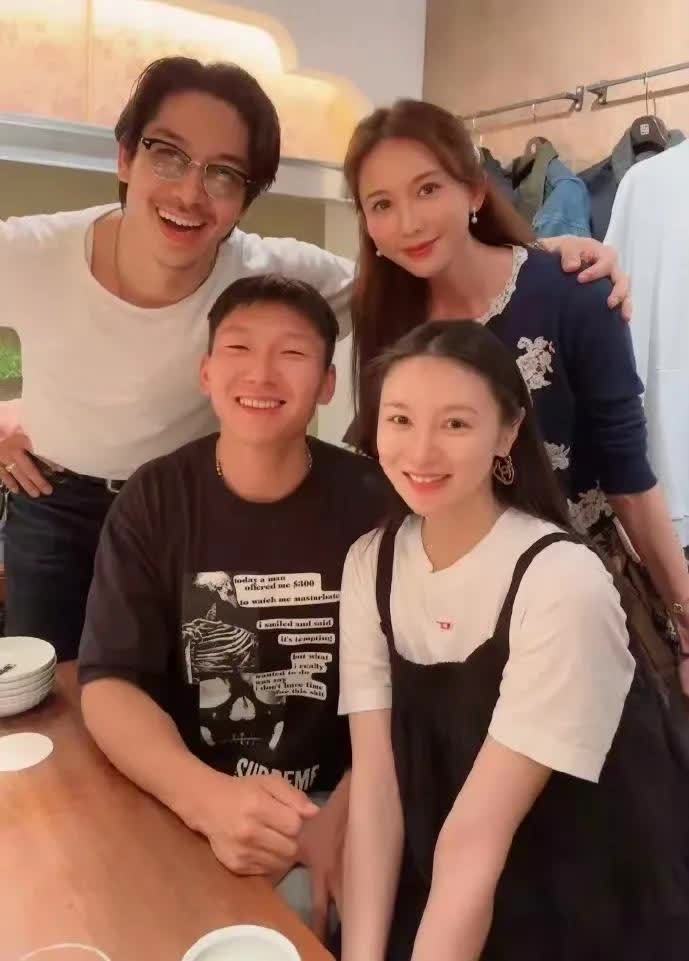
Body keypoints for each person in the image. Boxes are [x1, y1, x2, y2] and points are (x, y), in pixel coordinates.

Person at [1, 56, 628, 661]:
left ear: (247, 195)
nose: (191, 192)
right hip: (56, 505)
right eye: (168, 154)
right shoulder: (31, 252)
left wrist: (543, 257)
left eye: (224, 174)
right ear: (124, 156)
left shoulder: (271, 273)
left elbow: (409, 267)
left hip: (190, 507)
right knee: (42, 694)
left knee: (185, 679)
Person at [338, 320, 689, 961]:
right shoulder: (370, 562)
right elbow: (376, 791)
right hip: (452, 893)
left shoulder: (561, 581)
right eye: (400, 420)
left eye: (455, 423)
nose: (421, 451)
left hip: (587, 900)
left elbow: (475, 837)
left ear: (507, 432)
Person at [342, 98, 689, 695]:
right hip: (441, 602)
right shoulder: (382, 317)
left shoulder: (573, 294)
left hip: (571, 594)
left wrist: (684, 619)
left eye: (428, 189)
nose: (409, 222)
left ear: (475, 190)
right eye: (382, 204)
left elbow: (629, 476)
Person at [79, 275, 385, 938]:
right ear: (206, 372)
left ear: (327, 384)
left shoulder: (375, 499)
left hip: (346, 796)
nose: (261, 373)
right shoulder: (155, 499)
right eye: (239, 348)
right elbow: (109, 683)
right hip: (189, 792)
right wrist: (205, 800)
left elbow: (416, 683)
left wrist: (349, 810)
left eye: (292, 353)